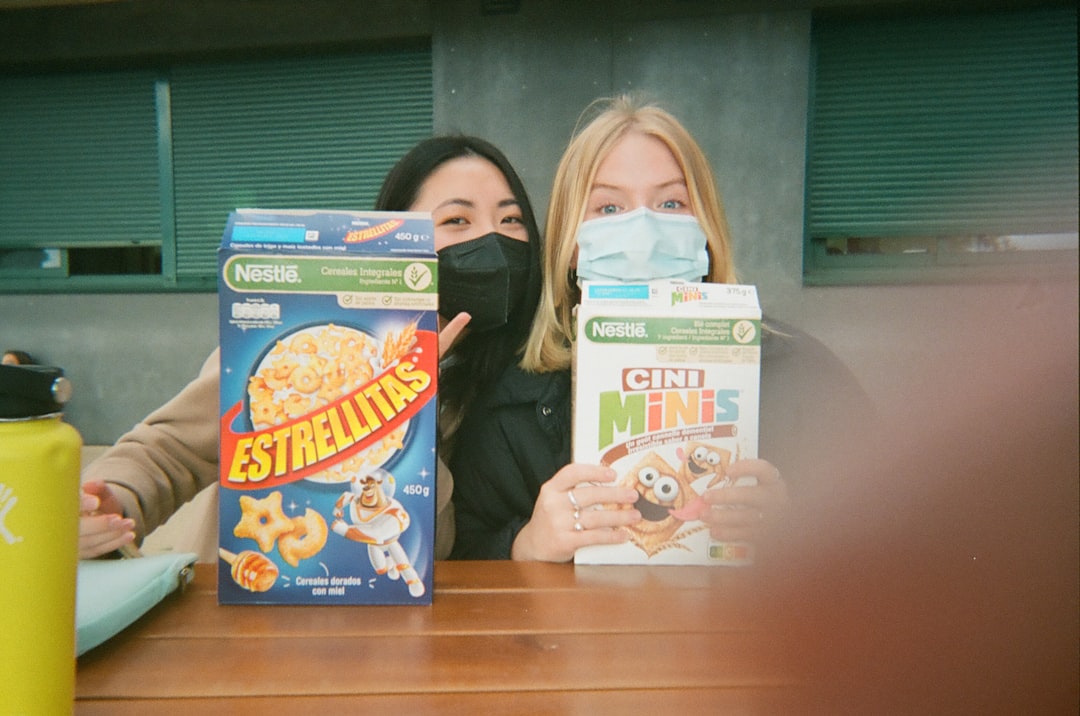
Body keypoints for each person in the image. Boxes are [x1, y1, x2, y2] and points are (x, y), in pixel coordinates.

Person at [79, 135, 543, 561]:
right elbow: (169, 451)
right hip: (246, 616)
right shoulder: (312, 344)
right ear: (398, 234)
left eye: (511, 219)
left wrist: (414, 408)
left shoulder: (522, 384)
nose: (493, 240)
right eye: (457, 220)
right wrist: (110, 503)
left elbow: (432, 550)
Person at [449, 95, 874, 561]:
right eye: (608, 209)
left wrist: (799, 527)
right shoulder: (511, 406)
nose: (642, 230)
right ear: (570, 246)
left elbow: (896, 539)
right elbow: (458, 561)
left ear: (707, 232)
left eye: (671, 202)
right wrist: (523, 545)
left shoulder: (804, 378)